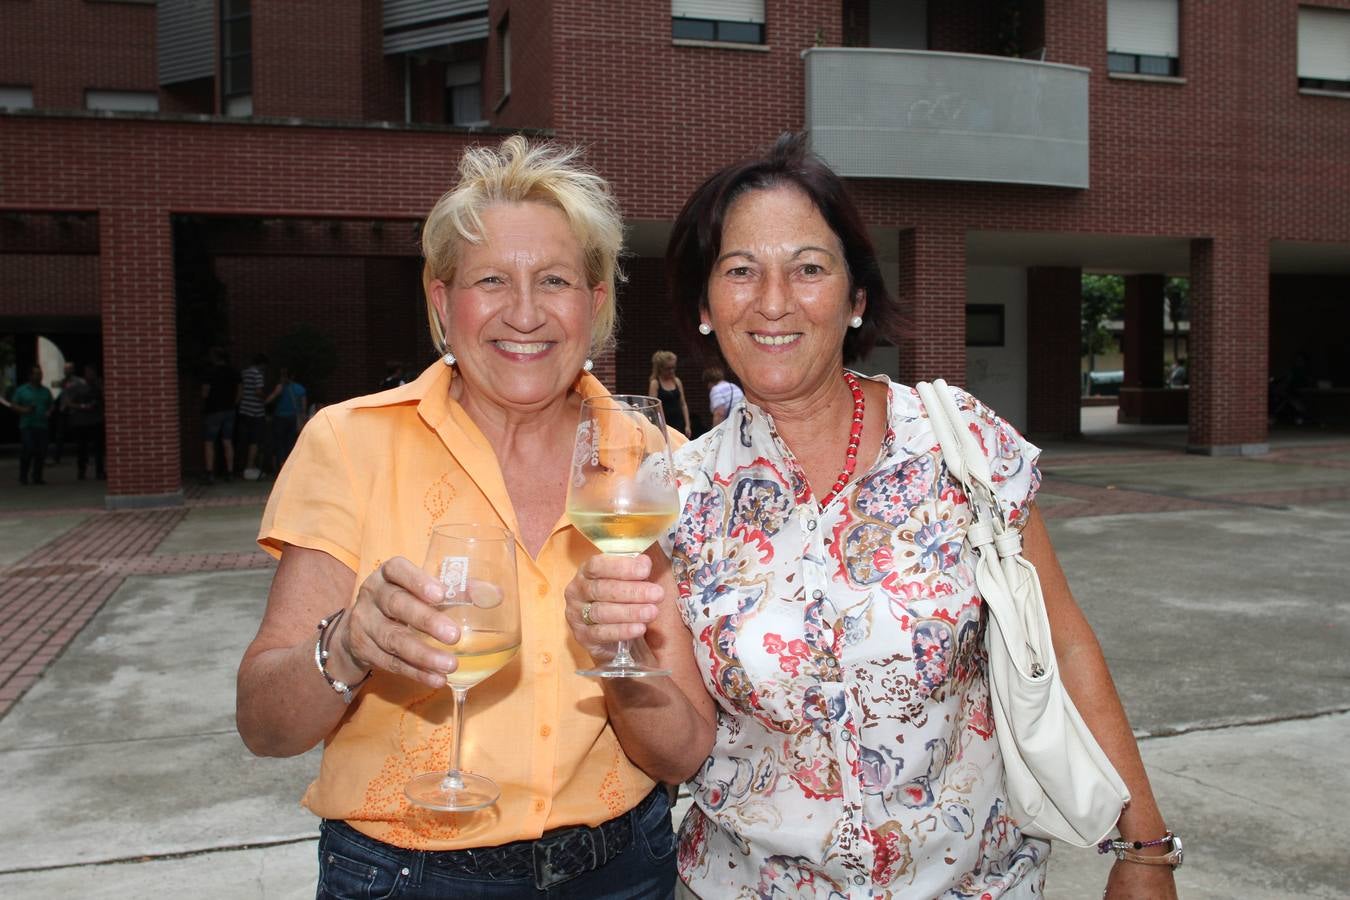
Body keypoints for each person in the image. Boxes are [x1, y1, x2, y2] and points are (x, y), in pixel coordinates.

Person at [564, 135, 1179, 899]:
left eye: (809, 268)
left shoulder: (959, 443)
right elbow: (681, 753)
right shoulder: (674, 494)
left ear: (856, 299)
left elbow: (1065, 641)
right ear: (702, 305)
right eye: (741, 270)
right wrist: (622, 665)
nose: (775, 300)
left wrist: (1145, 847)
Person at [236, 135, 679, 899]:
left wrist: (623, 660)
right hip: (408, 875)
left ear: (596, 301)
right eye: (490, 281)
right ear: (442, 300)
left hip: (623, 870)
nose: (526, 313)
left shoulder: (654, 458)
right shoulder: (349, 442)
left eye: (556, 280)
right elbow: (264, 726)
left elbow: (681, 747)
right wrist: (346, 646)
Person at [201, 346, 241, 483]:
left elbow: (205, 392)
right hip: (229, 410)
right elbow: (239, 390)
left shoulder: (210, 372)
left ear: (215, 358)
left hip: (213, 410)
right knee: (227, 441)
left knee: (209, 442)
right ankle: (230, 472)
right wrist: (234, 403)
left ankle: (209, 473)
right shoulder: (233, 371)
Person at [11, 365, 54, 485]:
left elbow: (51, 404)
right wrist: (24, 410)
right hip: (27, 425)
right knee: (28, 449)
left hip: (42, 425)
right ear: (30, 376)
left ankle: (37, 476)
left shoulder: (45, 391)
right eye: (36, 373)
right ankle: (23, 475)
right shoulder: (22, 390)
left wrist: (49, 411)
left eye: (40, 373)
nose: (39, 376)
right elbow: (13, 405)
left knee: (41, 452)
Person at [63, 364, 106, 480]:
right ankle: (81, 471)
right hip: (81, 422)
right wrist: (82, 406)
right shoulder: (76, 386)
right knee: (82, 448)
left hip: (96, 420)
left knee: (99, 447)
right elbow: (68, 402)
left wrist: (101, 387)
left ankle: (100, 471)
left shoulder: (98, 385)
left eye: (92, 372)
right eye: (88, 372)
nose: (90, 375)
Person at [264, 367, 306, 471]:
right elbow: (303, 405)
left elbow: (268, 401)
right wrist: (302, 417)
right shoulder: (299, 388)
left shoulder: (280, 388)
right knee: (290, 443)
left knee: (279, 443)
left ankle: (280, 467)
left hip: (280, 417)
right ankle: (290, 467)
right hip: (293, 417)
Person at [237, 353, 268, 479]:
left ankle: (243, 466)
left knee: (244, 439)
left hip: (244, 409)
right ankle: (250, 466)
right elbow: (258, 391)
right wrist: (266, 398)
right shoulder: (258, 374)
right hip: (256, 411)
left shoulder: (244, 373)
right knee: (255, 440)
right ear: (262, 364)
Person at [648, 350, 691, 437]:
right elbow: (653, 407)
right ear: (660, 368)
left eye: (673, 368)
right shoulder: (655, 383)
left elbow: (683, 404)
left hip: (679, 422)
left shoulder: (677, 381)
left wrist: (687, 425)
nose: (671, 371)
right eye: (668, 368)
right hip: (665, 423)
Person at [700, 363, 743, 427]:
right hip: (742, 423)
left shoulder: (716, 390)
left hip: (731, 426)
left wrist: (715, 430)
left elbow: (719, 413)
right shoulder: (734, 386)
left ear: (709, 382)